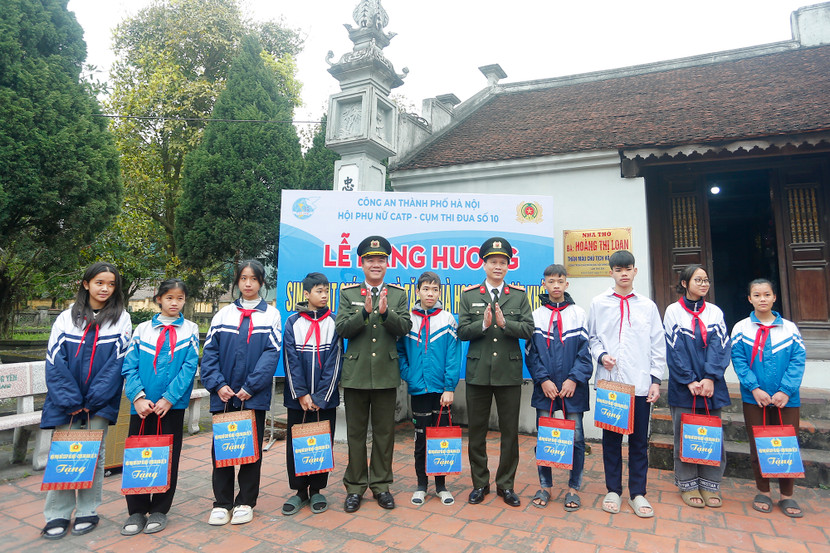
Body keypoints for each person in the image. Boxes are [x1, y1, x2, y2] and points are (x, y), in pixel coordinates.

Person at [40, 262, 132, 540]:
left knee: (94, 453)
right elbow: (55, 361)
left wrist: (93, 399)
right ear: (86, 284)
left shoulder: (121, 319)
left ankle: (88, 510)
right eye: (99, 282)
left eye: (111, 284)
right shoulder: (67, 318)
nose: (105, 288)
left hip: (99, 402)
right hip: (64, 401)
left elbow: (117, 364)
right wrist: (70, 399)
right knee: (65, 453)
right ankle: (57, 513)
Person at [200, 260, 281, 526]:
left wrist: (250, 387)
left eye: (254, 279)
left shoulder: (271, 315)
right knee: (223, 449)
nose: (248, 284)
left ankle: (246, 501)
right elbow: (209, 352)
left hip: (252, 396)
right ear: (237, 281)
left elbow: (271, 355)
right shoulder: (223, 315)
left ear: (261, 283)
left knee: (251, 450)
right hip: (223, 395)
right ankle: (222, 503)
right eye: (243, 278)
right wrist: (218, 384)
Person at [335, 235, 411, 512]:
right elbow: (342, 329)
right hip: (355, 373)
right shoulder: (349, 294)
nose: (375, 264)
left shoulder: (398, 294)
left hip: (385, 374)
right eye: (370, 260)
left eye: (380, 260)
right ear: (362, 263)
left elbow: (404, 327)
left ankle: (381, 485)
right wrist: (364, 314)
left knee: (383, 434)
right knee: (355, 434)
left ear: (387, 263)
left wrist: (386, 313)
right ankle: (355, 487)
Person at [587, 250, 665, 518]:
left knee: (639, 441)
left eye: (628, 268)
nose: (623, 273)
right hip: (611, 385)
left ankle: (638, 493)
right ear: (611, 272)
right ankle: (612, 490)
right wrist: (601, 355)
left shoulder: (648, 306)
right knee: (611, 440)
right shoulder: (599, 303)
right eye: (618, 269)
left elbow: (657, 344)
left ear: (635, 271)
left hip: (641, 384)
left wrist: (656, 379)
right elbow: (592, 337)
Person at [120, 278, 200, 535]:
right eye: (169, 298)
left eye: (179, 298)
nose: (174, 303)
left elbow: (189, 368)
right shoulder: (143, 329)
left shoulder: (191, 329)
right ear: (158, 299)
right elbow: (129, 366)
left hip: (170, 407)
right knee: (138, 455)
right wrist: (138, 397)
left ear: (185, 300)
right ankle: (135, 510)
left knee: (168, 456)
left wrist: (170, 398)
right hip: (142, 406)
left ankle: (159, 509)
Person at [458, 237, 533, 507]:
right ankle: (480, 484)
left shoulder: (519, 296)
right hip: (478, 372)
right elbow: (461, 331)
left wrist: (506, 324)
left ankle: (506, 485)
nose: (498, 266)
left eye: (503, 262)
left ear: (508, 266)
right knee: (476, 432)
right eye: (493, 262)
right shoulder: (469, 296)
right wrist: (483, 323)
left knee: (509, 432)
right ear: (484, 264)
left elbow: (528, 329)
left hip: (508, 372)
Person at [731, 279, 806, 518]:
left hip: (787, 399)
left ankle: (787, 495)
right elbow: (739, 361)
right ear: (749, 299)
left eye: (767, 294)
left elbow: (797, 361)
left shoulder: (790, 329)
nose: (762, 299)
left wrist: (786, 390)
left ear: (774, 297)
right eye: (757, 295)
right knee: (757, 445)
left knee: (787, 446)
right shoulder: (741, 329)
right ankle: (763, 490)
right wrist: (754, 388)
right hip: (755, 399)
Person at [525, 264, 592, 511]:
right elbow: (531, 354)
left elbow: (587, 352)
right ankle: (546, 485)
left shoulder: (579, 314)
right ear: (544, 284)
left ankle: (573, 488)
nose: (555, 285)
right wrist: (543, 380)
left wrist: (574, 378)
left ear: (567, 284)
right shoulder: (536, 316)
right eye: (551, 281)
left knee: (576, 439)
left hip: (573, 387)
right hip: (546, 388)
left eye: (560, 281)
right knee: (545, 438)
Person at [663, 265, 731, 509]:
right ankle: (688, 484)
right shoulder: (673, 312)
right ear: (684, 283)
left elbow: (721, 346)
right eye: (698, 280)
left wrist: (711, 377)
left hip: (711, 385)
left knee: (711, 433)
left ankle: (711, 483)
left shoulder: (715, 312)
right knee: (685, 433)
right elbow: (673, 349)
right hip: (684, 386)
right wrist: (689, 379)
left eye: (706, 280)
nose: (703, 284)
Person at [397, 271, 461, 507]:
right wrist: (409, 374)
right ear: (418, 291)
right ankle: (421, 485)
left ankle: (441, 485)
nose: (430, 293)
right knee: (421, 438)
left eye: (435, 289)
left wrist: (449, 386)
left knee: (440, 438)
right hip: (418, 390)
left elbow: (454, 356)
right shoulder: (407, 320)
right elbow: (400, 352)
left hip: (441, 391)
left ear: (440, 293)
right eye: (426, 289)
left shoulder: (448, 320)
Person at [282, 272, 343, 516]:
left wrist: (320, 397)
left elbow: (335, 361)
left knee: (321, 443)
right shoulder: (292, 322)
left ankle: (317, 489)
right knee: (297, 443)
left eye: (327, 291)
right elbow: (290, 360)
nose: (324, 295)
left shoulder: (335, 322)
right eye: (318, 291)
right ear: (306, 294)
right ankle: (299, 491)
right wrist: (302, 394)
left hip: (324, 399)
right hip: (299, 399)